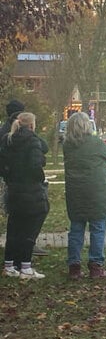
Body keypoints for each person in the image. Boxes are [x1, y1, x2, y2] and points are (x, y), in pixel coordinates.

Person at [62, 111, 106, 279]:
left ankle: (74, 267)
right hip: (97, 193)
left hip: (75, 193)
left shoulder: (67, 145)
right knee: (98, 229)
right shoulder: (96, 142)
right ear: (87, 125)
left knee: (76, 229)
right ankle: (96, 267)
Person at [2, 112, 50, 279]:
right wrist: (40, 178)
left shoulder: (8, 140)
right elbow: (37, 163)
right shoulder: (32, 141)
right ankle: (26, 266)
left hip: (13, 190)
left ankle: (9, 265)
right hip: (30, 190)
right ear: (31, 125)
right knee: (29, 230)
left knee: (13, 228)